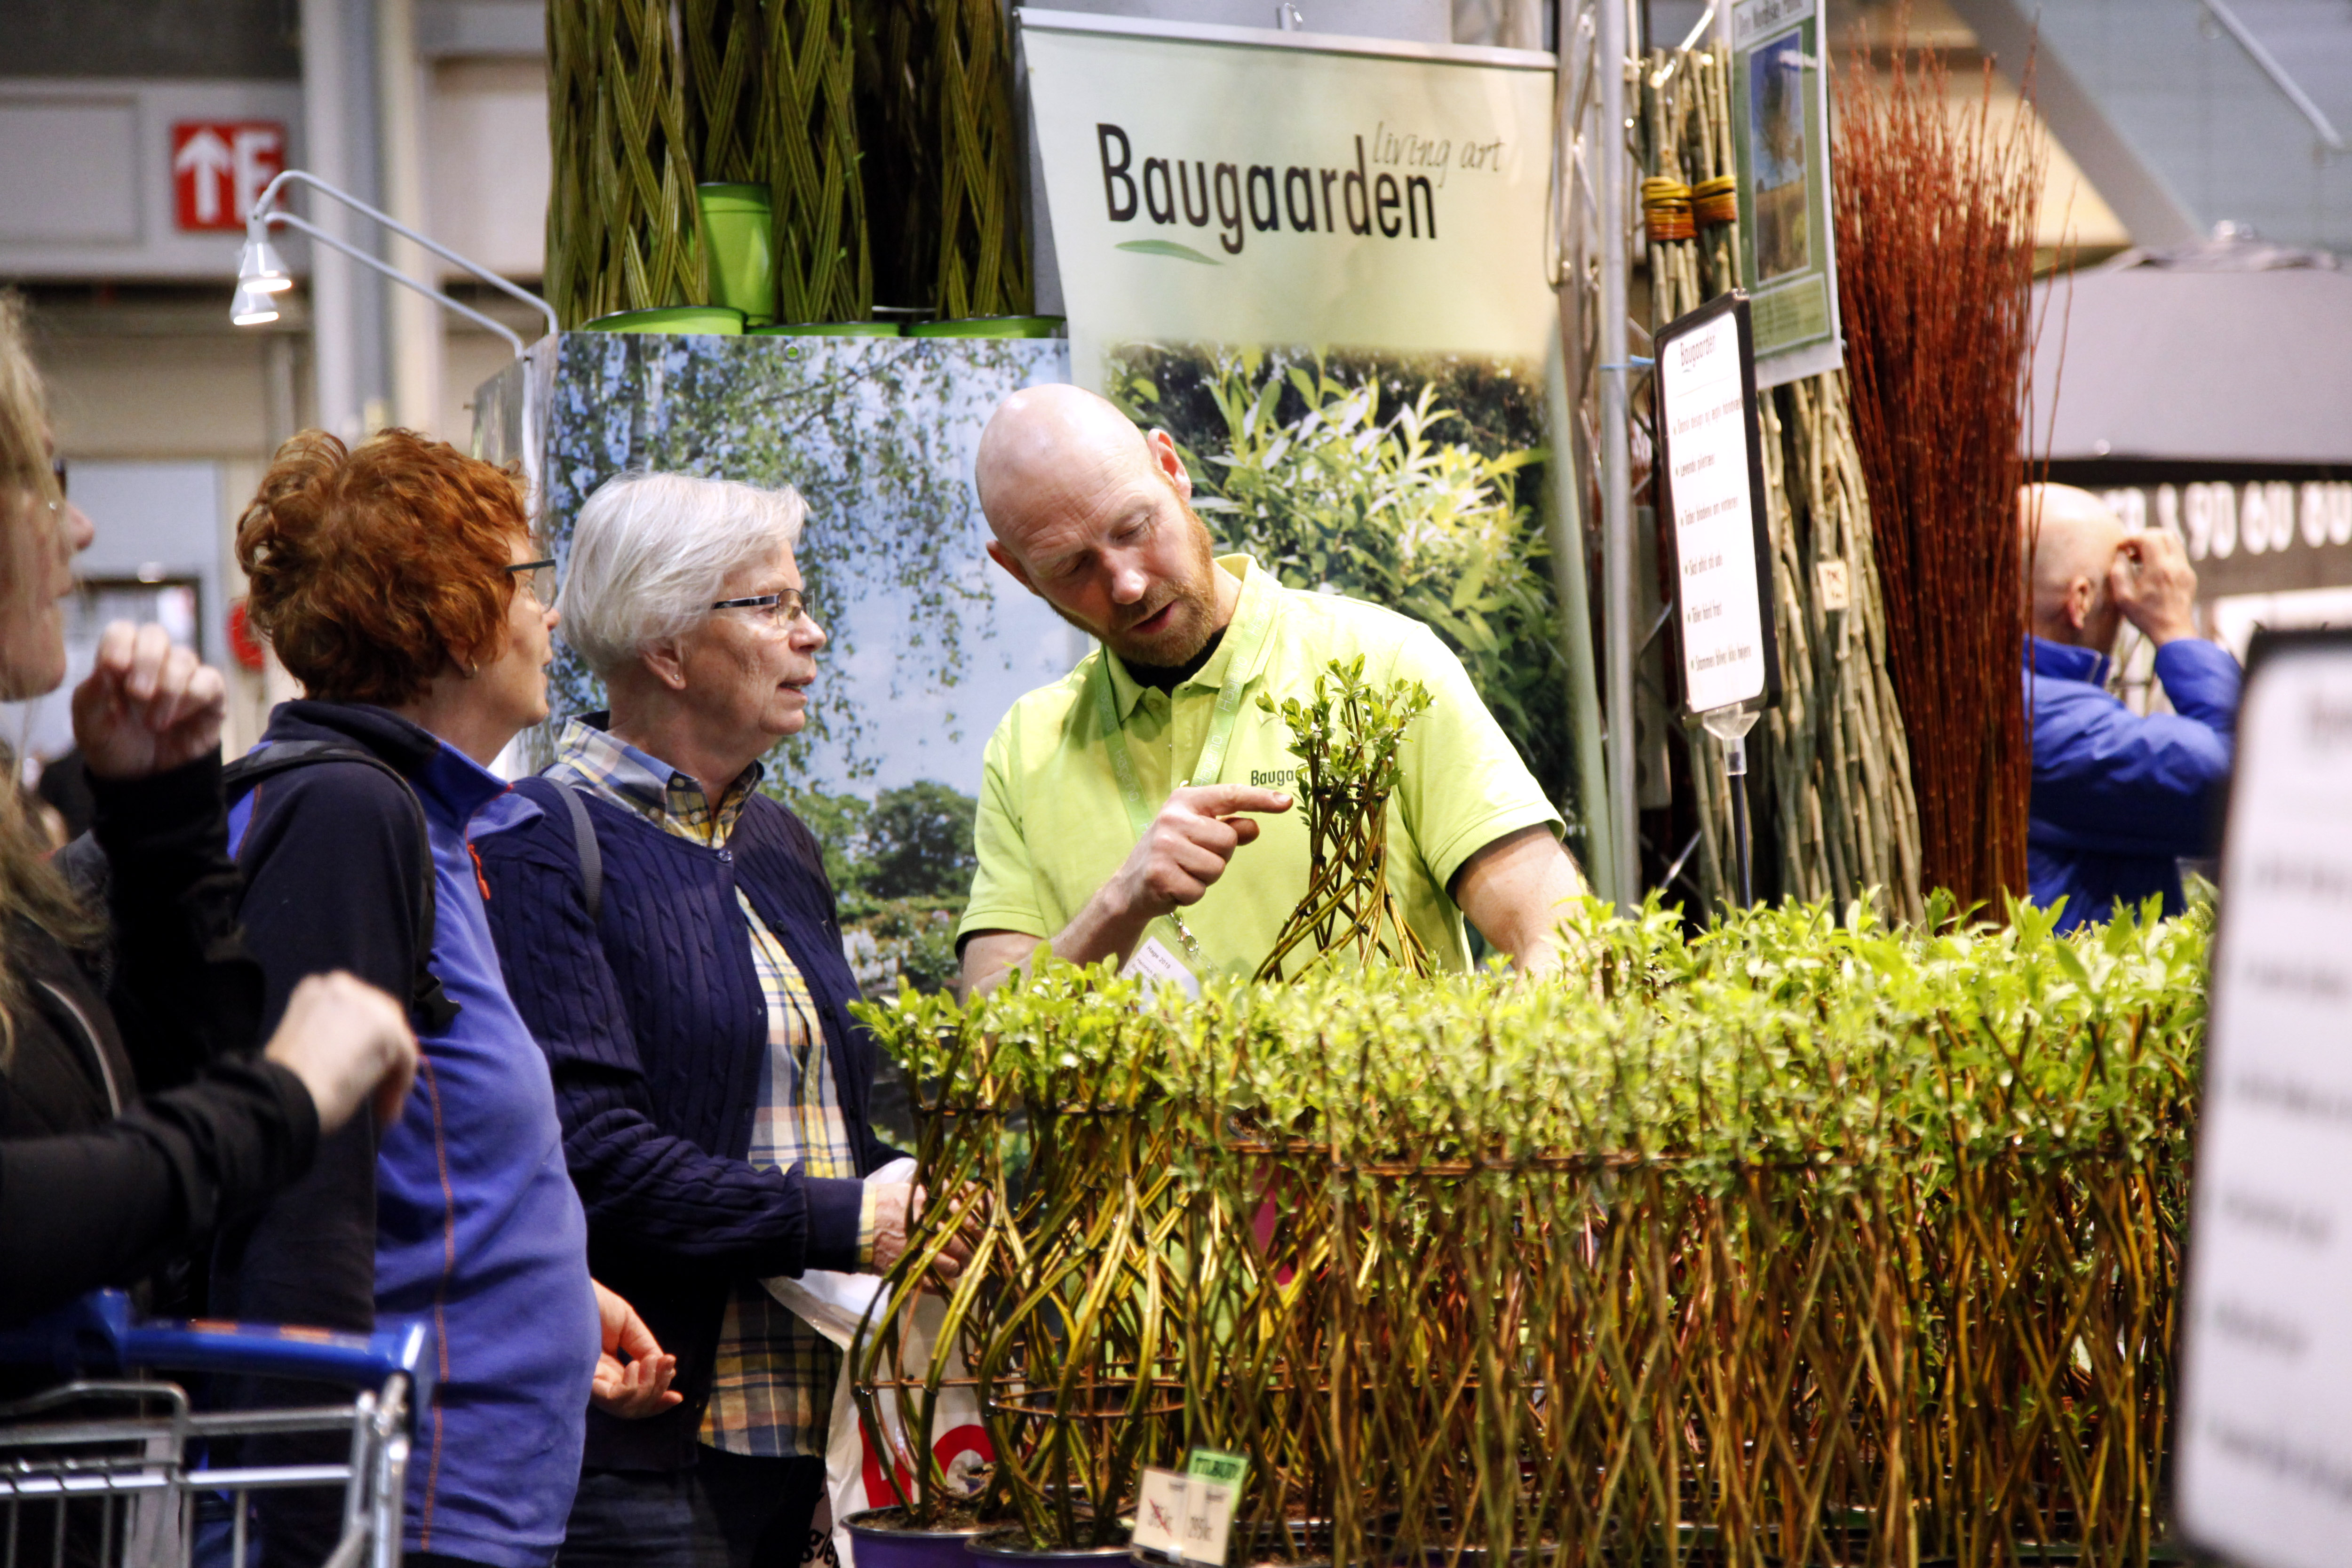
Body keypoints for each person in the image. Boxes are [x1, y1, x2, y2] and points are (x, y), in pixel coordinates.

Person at [471, 472, 959, 1568]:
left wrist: (920, 1204)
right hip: (656, 1451)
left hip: (825, 1437)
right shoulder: (540, 841)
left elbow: (824, 1126)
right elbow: (591, 1156)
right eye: (774, 606)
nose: (813, 632)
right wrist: (848, 1220)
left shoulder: (780, 840)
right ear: (669, 648)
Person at [213, 430, 675, 1568]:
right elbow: (300, 1185)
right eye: (531, 580)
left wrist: (557, 1296)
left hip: (450, 1493)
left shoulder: (425, 824)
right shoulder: (346, 816)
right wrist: (318, 1521)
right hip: (399, 1505)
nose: (550, 617)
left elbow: (423, 1150)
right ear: (449, 608)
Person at [0, 293, 417, 1327]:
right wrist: (284, 1094)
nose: (80, 526)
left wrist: (162, 821)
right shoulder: (346, 800)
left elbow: (144, 1096)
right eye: (45, 483)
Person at [957, 384, 1586, 993]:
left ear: (1171, 468)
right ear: (1018, 572)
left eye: (1133, 528)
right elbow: (983, 1036)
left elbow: (1559, 930)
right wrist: (1120, 905)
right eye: (1071, 566)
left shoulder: (1385, 665)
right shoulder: (1028, 745)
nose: (1125, 583)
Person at [2020, 483, 2241, 931]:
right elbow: (2251, 778)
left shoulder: (2004, 699)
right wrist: (2176, 626)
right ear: (2080, 601)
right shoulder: (2044, 721)